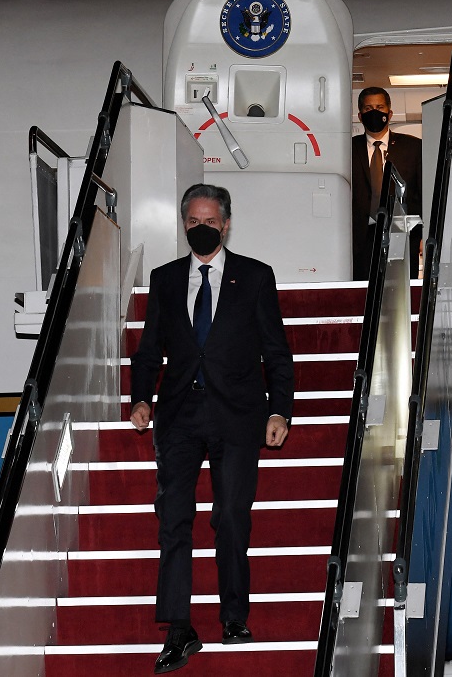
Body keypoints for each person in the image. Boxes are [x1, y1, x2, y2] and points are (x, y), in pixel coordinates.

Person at [130, 183, 294, 674]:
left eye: (209, 221)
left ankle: (233, 616)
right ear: (184, 224)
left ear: (225, 223)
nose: (200, 228)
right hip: (179, 417)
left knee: (230, 518)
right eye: (192, 221)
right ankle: (179, 629)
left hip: (238, 417)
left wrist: (279, 411)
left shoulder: (255, 277)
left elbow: (276, 352)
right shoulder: (164, 279)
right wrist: (140, 398)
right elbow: (149, 349)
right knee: (174, 521)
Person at [351, 86, 423, 280]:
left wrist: (425, 233)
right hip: (358, 240)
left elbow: (423, 193)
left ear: (389, 113)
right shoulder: (347, 149)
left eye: (379, 107)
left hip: (402, 236)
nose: (374, 112)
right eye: (368, 109)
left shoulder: (413, 147)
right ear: (360, 115)